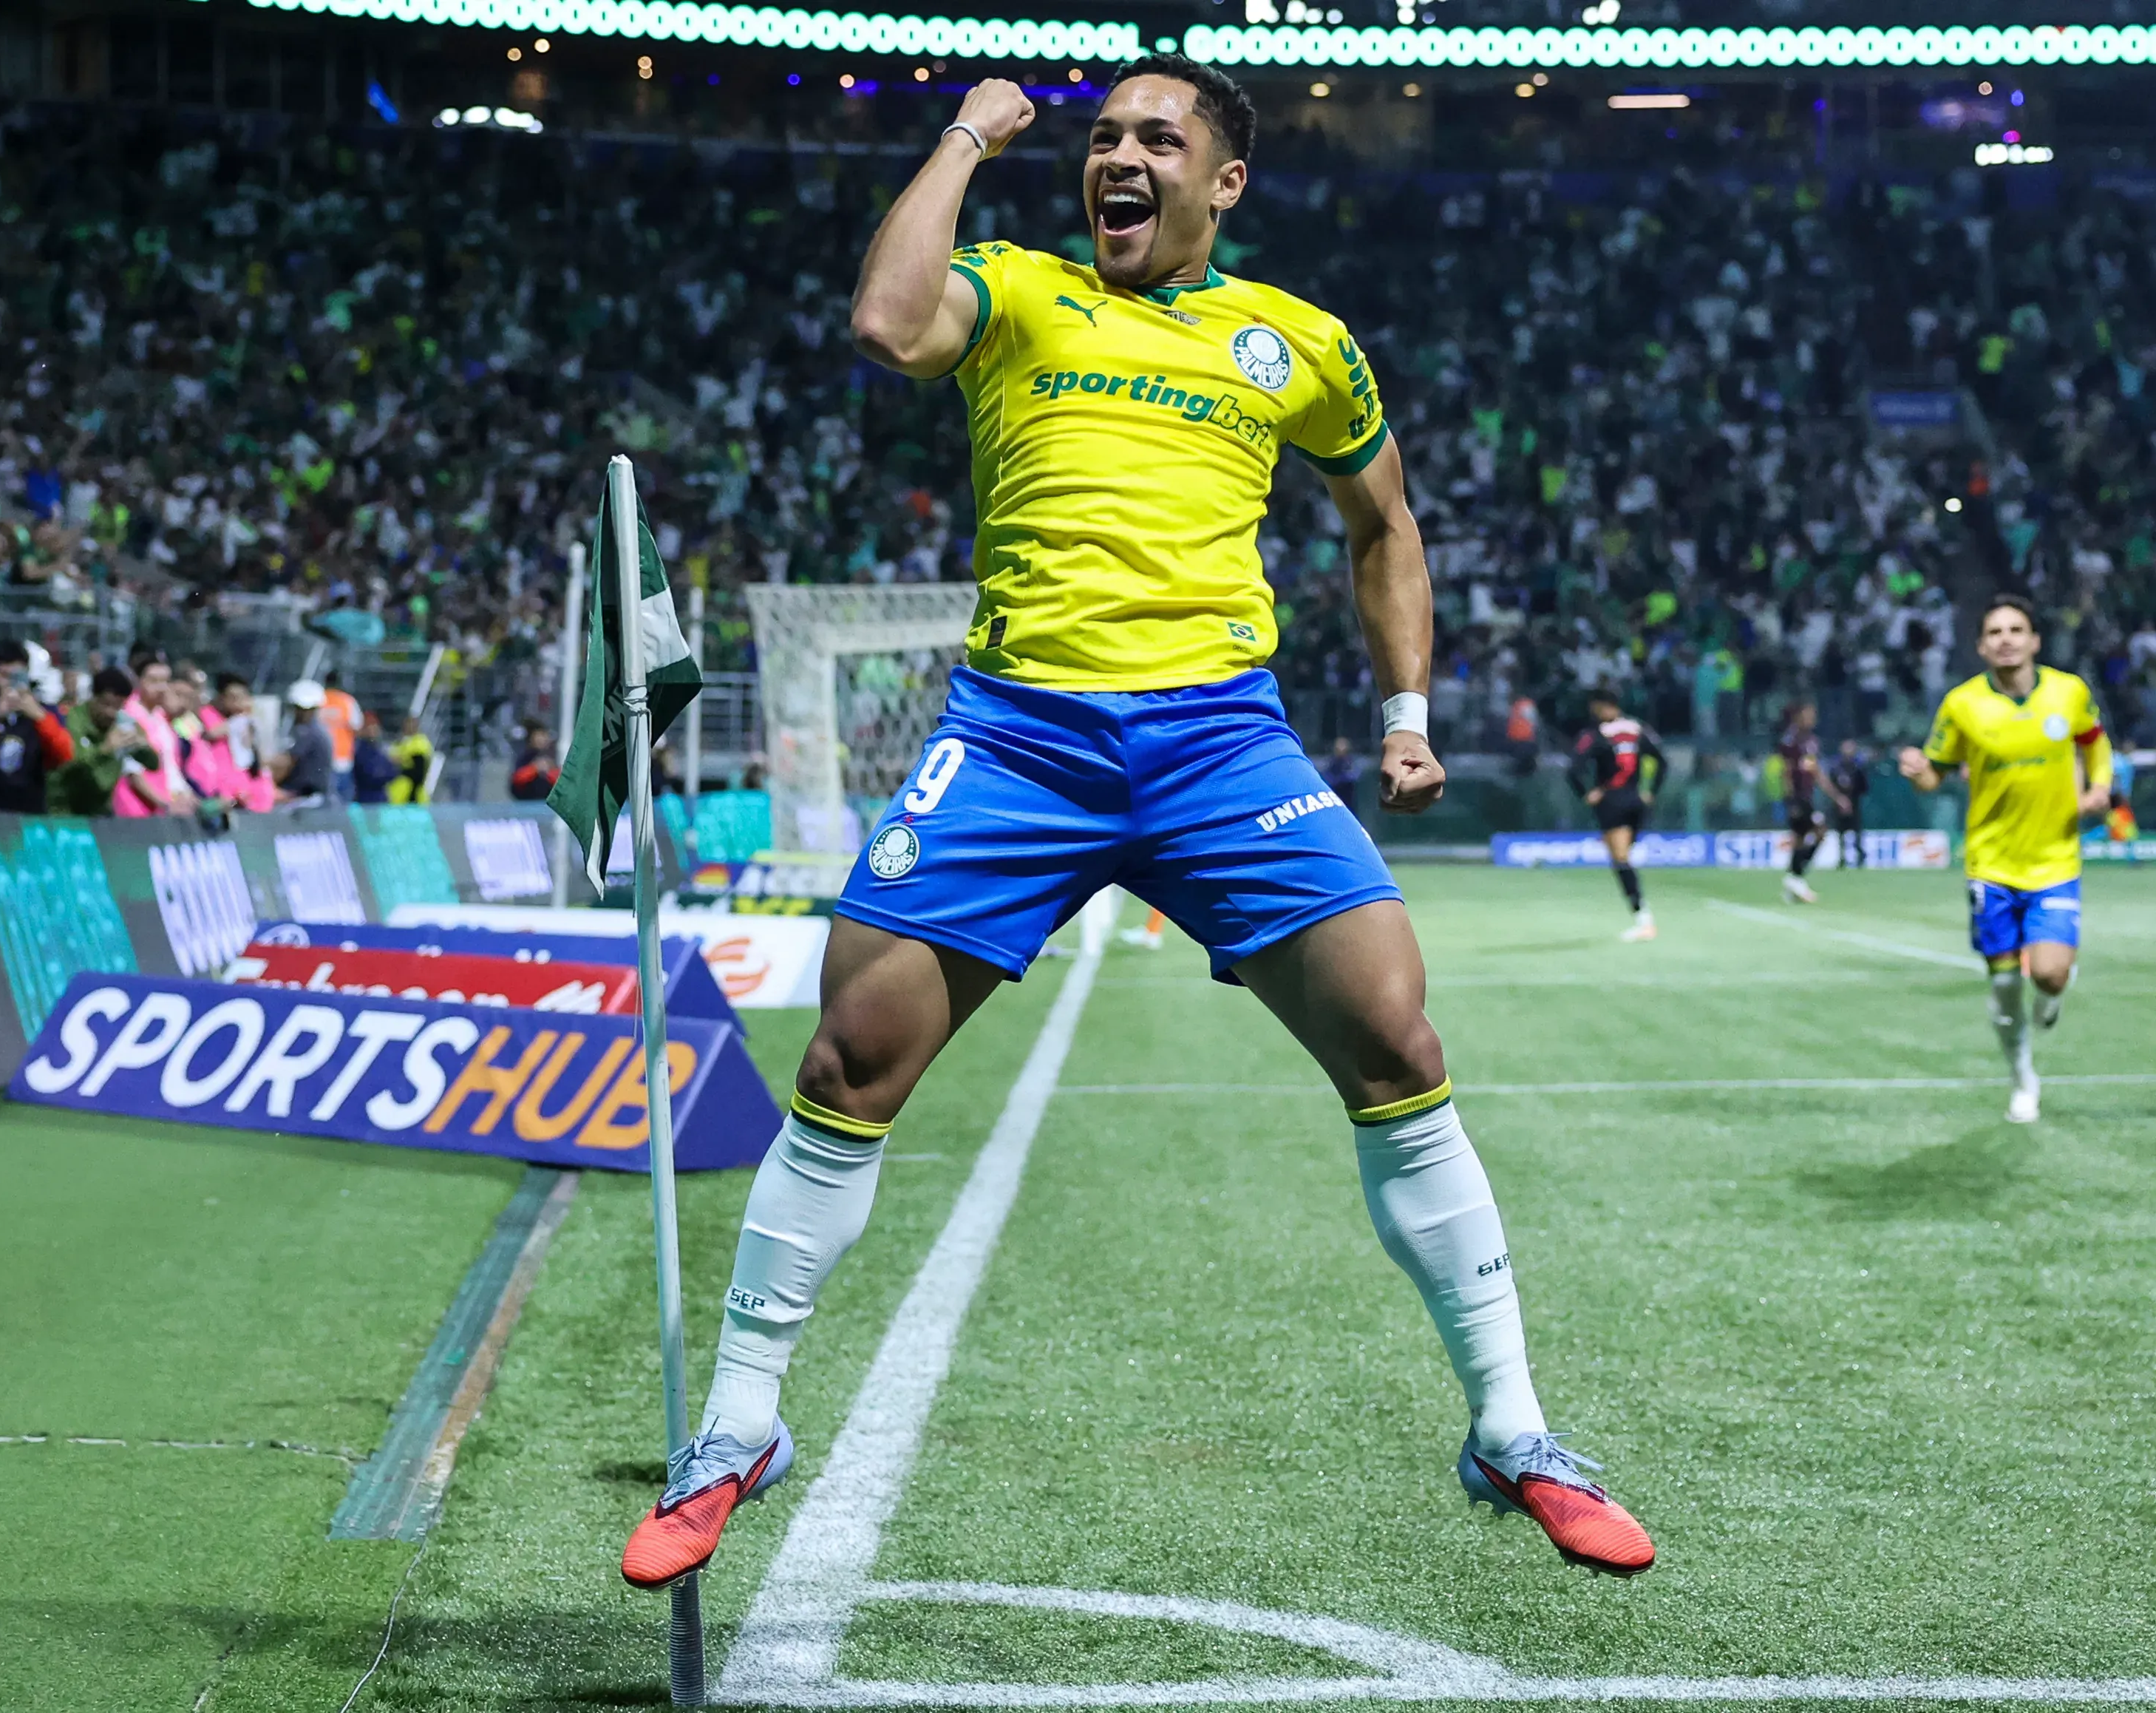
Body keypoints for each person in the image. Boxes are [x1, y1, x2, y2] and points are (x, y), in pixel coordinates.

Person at [619, 58, 1653, 1594]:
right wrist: (969, 134)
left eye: (1155, 140)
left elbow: (1386, 526)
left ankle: (1513, 1428)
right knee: (850, 1061)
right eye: (1102, 137)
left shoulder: (1294, 343)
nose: (1117, 156)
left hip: (1221, 741)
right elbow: (889, 324)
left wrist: (1407, 715)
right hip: (1017, 737)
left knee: (1397, 1038)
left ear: (1222, 183)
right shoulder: (1018, 292)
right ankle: (740, 1426)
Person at [1897, 595, 2112, 1125]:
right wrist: (1917, 770)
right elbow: (1936, 774)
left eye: (2016, 629)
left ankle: (2052, 994)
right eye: (1994, 632)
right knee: (2001, 986)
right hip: (1990, 864)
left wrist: (2100, 787)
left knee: (2050, 976)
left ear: (2035, 640)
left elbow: (2094, 740)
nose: (2006, 639)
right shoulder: (1961, 705)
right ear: (1980, 646)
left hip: (2054, 859)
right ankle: (2021, 1077)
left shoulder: (2068, 691)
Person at [1571, 689, 1666, 941]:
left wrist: (1587, 793)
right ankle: (1643, 917)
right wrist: (1651, 792)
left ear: (1601, 707)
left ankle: (1644, 920)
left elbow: (1573, 769)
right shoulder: (1639, 729)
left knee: (1620, 859)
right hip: (1637, 801)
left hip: (1612, 801)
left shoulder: (1595, 735)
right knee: (1623, 857)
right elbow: (1663, 760)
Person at [0, 638, 74, 813]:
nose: (10, 683)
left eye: (17, 677)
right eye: (4, 676)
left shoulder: (46, 712)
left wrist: (38, 716)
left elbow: (63, 753)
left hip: (29, 809)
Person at [48, 666, 157, 816]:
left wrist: (143, 746)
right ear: (93, 697)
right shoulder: (72, 720)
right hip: (65, 809)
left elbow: (154, 764)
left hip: (100, 811)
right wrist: (105, 749)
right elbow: (72, 766)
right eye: (106, 704)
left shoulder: (123, 723)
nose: (111, 712)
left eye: (117, 707)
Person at [1775, 702, 1841, 903]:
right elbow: (1785, 771)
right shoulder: (1790, 740)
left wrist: (1836, 795)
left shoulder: (1812, 741)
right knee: (1818, 832)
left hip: (1807, 796)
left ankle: (1793, 882)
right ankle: (1795, 878)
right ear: (1798, 716)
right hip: (1798, 797)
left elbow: (1816, 771)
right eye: (1808, 714)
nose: (1812, 718)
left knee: (1804, 838)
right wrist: (1790, 800)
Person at [114, 652, 193, 816]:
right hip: (135, 808)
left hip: (162, 807)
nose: (162, 688)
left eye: (165, 681)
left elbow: (171, 765)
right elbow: (133, 772)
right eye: (154, 681)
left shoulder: (160, 717)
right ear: (138, 681)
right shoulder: (128, 715)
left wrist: (185, 796)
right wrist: (165, 805)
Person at [185, 673, 275, 813]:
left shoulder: (247, 721)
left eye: (242, 697)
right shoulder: (208, 715)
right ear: (222, 698)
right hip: (218, 789)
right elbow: (210, 735)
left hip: (244, 791)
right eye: (233, 698)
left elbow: (252, 757)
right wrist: (233, 725)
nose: (238, 703)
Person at [276, 679, 336, 807]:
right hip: (312, 796)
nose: (302, 713)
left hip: (306, 798)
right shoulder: (316, 730)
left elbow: (285, 765)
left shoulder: (307, 732)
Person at [1826, 736, 1870, 868]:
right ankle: (1842, 858)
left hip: (1854, 803)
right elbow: (1830, 785)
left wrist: (1853, 797)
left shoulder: (1858, 767)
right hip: (1838, 804)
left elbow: (1864, 786)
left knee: (1856, 831)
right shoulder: (1835, 767)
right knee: (1841, 832)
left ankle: (1860, 856)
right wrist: (1838, 798)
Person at [351, 707, 402, 804]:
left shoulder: (378, 747)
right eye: (369, 727)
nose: (373, 730)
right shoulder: (359, 749)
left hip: (379, 797)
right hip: (365, 798)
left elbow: (389, 771)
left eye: (375, 726)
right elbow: (371, 775)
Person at [389, 711, 438, 804]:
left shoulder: (420, 743)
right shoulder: (400, 742)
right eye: (407, 724)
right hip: (397, 794)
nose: (409, 727)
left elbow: (419, 773)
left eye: (412, 724)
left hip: (412, 795)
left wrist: (400, 763)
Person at [509, 721, 560, 801]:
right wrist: (535, 768)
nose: (544, 739)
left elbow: (559, 781)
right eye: (541, 735)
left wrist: (549, 771)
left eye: (545, 735)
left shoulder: (551, 756)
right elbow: (517, 779)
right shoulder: (526, 756)